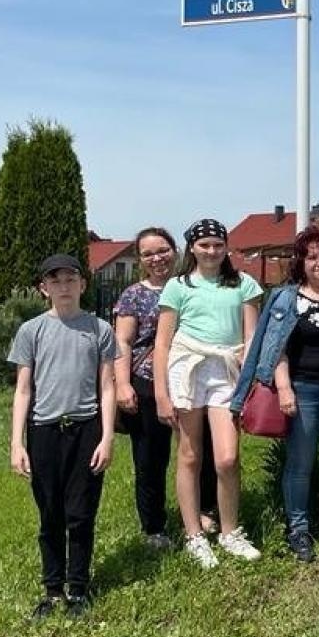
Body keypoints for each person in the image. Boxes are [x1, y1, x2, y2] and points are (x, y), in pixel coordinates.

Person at [231, 227, 319, 564]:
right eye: (313, 257)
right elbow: (274, 347)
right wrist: (284, 387)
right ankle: (298, 529)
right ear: (302, 262)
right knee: (300, 464)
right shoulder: (288, 298)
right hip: (302, 392)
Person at [9, 254, 117, 619]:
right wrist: (17, 442)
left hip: (85, 428)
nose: (64, 287)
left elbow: (107, 386)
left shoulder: (99, 329)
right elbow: (24, 390)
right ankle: (52, 590)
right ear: (44, 288)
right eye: (55, 281)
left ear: (83, 284)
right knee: (50, 513)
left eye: (71, 279)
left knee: (81, 512)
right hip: (44, 431)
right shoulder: (31, 331)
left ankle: (78, 588)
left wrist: (107, 437)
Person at [153, 219, 264, 569]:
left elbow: (252, 337)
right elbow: (162, 342)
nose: (212, 251)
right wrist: (161, 393)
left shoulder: (243, 284)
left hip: (227, 370)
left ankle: (230, 530)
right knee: (189, 454)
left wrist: (249, 380)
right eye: (205, 245)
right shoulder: (178, 286)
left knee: (228, 457)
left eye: (218, 245)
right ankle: (194, 535)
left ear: (226, 248)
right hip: (188, 369)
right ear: (192, 249)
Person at [113, 227, 216, 549]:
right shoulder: (134, 295)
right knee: (150, 458)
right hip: (147, 382)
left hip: (196, 379)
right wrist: (122, 384)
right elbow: (123, 342)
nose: (157, 258)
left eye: (163, 250)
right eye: (148, 253)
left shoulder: (197, 285)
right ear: (140, 259)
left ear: (176, 250)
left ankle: (204, 509)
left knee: (202, 451)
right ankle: (154, 527)